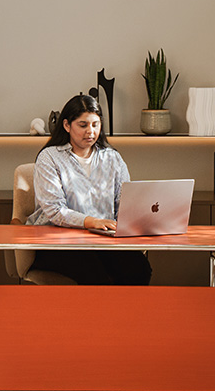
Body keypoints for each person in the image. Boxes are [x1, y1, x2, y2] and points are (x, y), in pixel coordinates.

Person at [24, 92, 153, 286]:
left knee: (139, 268)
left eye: (95, 124)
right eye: (83, 125)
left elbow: (124, 203)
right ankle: (99, 316)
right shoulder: (49, 157)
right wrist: (91, 221)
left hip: (101, 240)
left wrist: (132, 223)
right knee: (94, 275)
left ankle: (125, 316)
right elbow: (54, 210)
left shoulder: (112, 158)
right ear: (67, 125)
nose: (90, 132)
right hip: (56, 240)